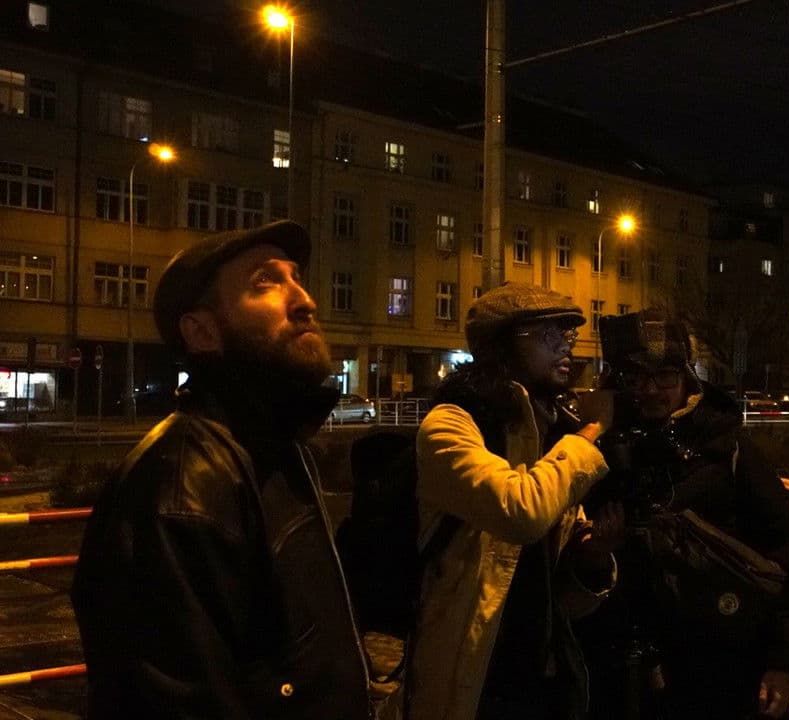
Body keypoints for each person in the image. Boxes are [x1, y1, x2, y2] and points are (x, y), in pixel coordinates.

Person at [71, 221, 372, 719]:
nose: (305, 300)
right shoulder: (181, 487)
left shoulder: (277, 446)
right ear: (202, 331)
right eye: (265, 281)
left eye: (296, 278)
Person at [390, 282, 619, 720]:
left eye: (568, 335)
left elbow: (556, 594)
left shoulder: (550, 433)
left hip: (542, 679)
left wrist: (591, 557)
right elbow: (521, 513)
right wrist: (589, 436)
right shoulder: (452, 424)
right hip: (472, 678)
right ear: (503, 344)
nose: (566, 347)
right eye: (549, 334)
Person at [577, 309, 789, 720]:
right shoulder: (589, 452)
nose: (651, 390)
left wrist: (783, 663)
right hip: (625, 673)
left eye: (665, 376)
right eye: (635, 378)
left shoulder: (726, 446)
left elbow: (785, 552)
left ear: (687, 378)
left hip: (725, 666)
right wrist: (596, 554)